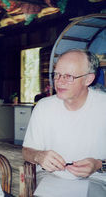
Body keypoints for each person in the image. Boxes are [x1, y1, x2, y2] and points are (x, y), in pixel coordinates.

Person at [22, 49, 106, 196]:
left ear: (88, 79)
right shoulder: (44, 107)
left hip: (96, 179)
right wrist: (39, 156)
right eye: (57, 75)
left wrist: (98, 165)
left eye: (68, 76)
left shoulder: (103, 106)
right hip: (50, 177)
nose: (59, 81)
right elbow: (27, 151)